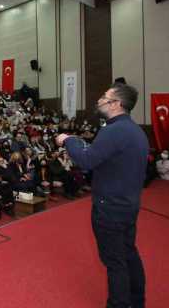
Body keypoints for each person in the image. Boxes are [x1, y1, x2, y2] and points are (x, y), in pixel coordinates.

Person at [57, 83, 148, 308]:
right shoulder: (136, 131)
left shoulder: (113, 130)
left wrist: (68, 140)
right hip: (128, 204)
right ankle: (137, 302)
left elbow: (87, 161)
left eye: (105, 97)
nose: (100, 100)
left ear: (117, 104)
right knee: (128, 254)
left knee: (115, 263)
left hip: (110, 208)